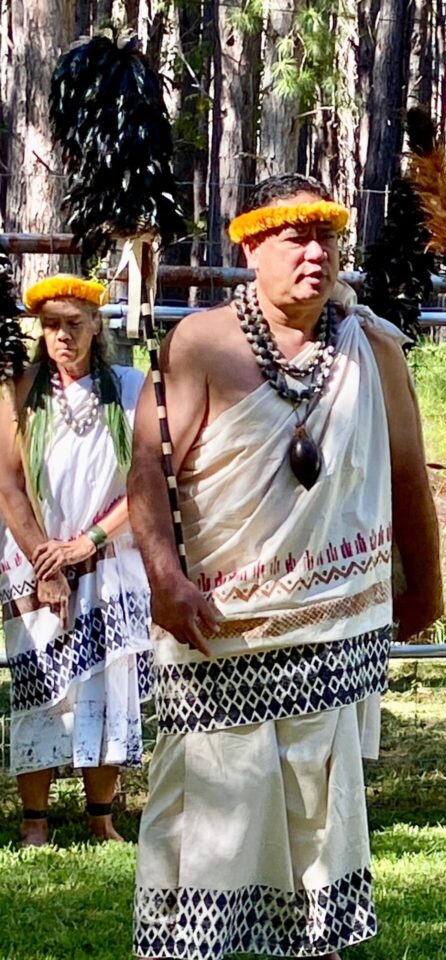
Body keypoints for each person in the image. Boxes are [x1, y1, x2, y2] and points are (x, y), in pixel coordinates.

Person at [129, 174, 442, 959]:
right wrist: (165, 579)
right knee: (211, 784)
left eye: (326, 236)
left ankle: (317, 943)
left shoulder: (370, 349)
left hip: (330, 617)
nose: (315, 252)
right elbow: (147, 471)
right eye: (293, 237)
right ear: (250, 246)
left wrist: (425, 585)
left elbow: (408, 472)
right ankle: (191, 945)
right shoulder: (201, 344)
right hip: (219, 624)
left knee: (318, 787)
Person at [0, 275, 151, 847]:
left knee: (110, 682)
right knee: (39, 683)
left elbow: (145, 483)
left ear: (96, 326)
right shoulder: (19, 390)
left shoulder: (131, 389)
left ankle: (100, 816)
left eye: (73, 324)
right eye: (51, 325)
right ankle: (34, 823)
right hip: (32, 557)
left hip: (108, 556)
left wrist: (88, 541)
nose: (62, 336)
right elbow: (9, 485)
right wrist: (47, 560)